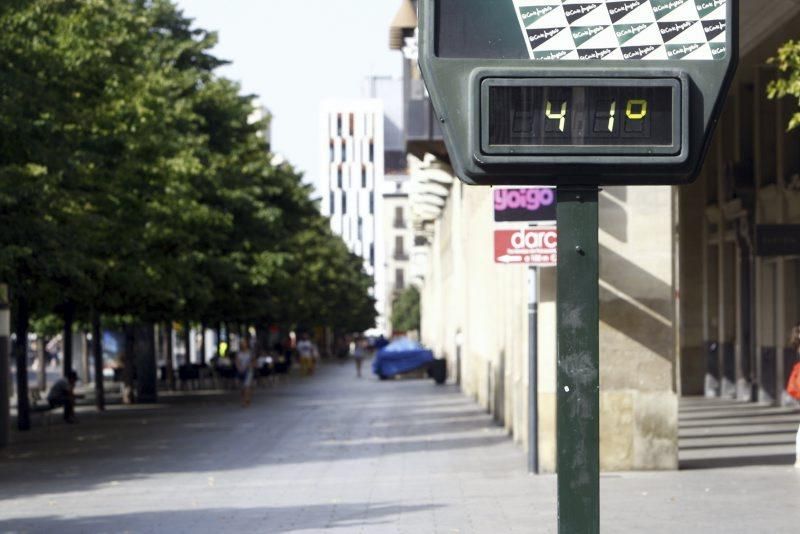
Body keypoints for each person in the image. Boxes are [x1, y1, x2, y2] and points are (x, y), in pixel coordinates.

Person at [235, 339, 254, 407]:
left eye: (244, 343)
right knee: (242, 387)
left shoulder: (249, 353)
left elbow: (252, 361)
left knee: (247, 386)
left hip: (248, 371)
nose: (243, 345)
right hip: (241, 371)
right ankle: (245, 399)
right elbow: (237, 362)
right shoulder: (238, 353)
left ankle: (246, 400)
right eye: (242, 343)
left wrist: (249, 366)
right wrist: (239, 368)